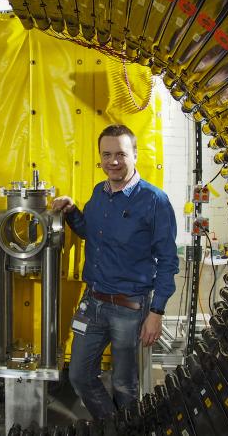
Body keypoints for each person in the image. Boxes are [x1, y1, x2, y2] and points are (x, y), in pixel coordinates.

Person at [52, 123, 179, 420]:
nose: (113, 161)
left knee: (124, 385)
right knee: (79, 376)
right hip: (93, 302)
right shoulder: (99, 192)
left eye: (120, 154)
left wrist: (156, 312)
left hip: (130, 308)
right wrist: (72, 212)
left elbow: (168, 261)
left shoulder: (155, 201)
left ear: (135, 154)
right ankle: (115, 426)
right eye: (106, 155)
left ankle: (124, 427)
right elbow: (91, 234)